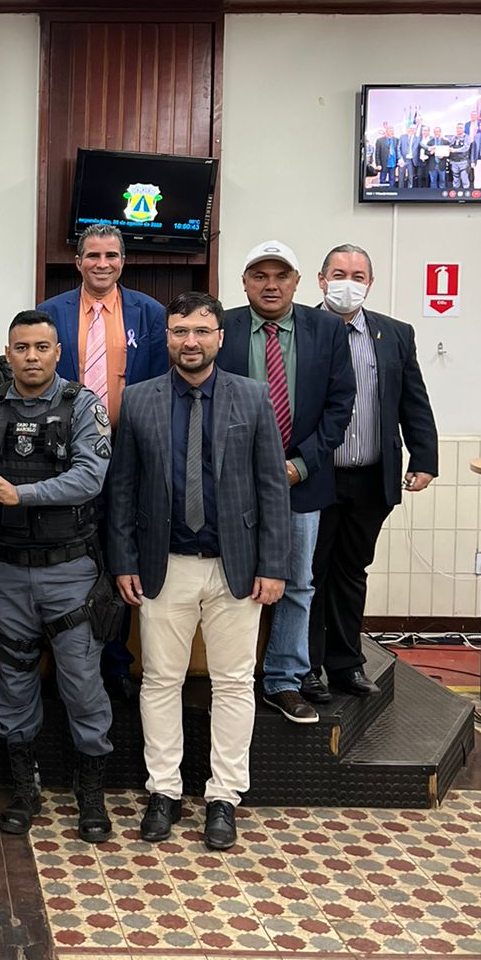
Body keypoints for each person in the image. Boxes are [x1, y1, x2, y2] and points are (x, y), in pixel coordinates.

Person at [108, 292, 290, 850]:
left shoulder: (252, 396)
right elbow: (123, 489)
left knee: (234, 683)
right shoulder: (138, 399)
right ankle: (163, 790)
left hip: (237, 568)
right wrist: (124, 559)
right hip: (164, 567)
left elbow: (272, 486)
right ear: (167, 337)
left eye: (201, 331)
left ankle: (223, 797)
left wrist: (274, 564)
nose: (191, 341)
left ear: (220, 338)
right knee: (160, 680)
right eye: (180, 331)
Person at [0, 311, 115, 841]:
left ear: (57, 353)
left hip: (68, 571)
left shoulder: (84, 405)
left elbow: (90, 478)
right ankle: (25, 790)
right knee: (14, 681)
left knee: (82, 685)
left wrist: (20, 494)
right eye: (21, 347)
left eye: (41, 347)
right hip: (3, 569)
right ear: (8, 353)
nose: (31, 356)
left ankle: (90, 794)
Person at [216, 241, 354, 725]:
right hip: (230, 483)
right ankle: (231, 677)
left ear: (298, 281)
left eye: (281, 276)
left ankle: (283, 680)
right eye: (260, 276)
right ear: (244, 283)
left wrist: (300, 465)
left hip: (302, 479)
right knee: (230, 581)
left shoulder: (327, 330)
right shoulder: (222, 327)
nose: (270, 285)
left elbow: (339, 406)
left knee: (297, 583)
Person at [36, 223, 167, 697]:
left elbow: (160, 385)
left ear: (123, 262)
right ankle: (65, 662)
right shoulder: (50, 313)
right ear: (78, 262)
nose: (102, 264)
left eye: (111, 255)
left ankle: (116, 662)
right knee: (68, 556)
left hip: (128, 453)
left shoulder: (149, 313)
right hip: (64, 456)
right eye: (92, 255)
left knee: (119, 554)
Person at [304, 246, 438, 700]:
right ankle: (305, 667)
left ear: (370, 283)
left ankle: (346, 664)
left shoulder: (395, 333)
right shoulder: (302, 328)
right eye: (339, 273)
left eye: (358, 275)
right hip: (315, 476)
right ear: (321, 279)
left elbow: (413, 400)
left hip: (370, 477)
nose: (348, 282)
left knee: (352, 570)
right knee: (310, 574)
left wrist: (424, 458)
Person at [449, 124, 471, 192]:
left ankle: (466, 193)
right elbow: (449, 146)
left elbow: (466, 148)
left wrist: (455, 150)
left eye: (460, 128)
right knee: (455, 179)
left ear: (463, 129)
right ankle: (456, 193)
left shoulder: (466, 137)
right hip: (454, 162)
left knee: (464, 179)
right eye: (457, 128)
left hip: (463, 162)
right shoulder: (453, 138)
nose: (458, 129)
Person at [373, 123, 396, 187]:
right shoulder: (380, 140)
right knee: (382, 179)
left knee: (392, 179)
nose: (392, 132)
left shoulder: (396, 140)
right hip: (384, 164)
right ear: (386, 132)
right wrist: (378, 164)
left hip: (393, 163)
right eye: (390, 131)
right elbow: (377, 154)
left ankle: (392, 191)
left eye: (393, 131)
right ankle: (382, 191)